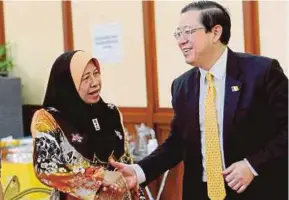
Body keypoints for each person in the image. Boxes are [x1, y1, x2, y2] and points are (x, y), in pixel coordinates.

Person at [110, 1, 288, 200]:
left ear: (215, 32)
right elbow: (177, 143)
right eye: (178, 34)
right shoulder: (182, 86)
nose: (181, 41)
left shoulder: (262, 73)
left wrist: (252, 165)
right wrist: (139, 171)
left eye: (188, 32)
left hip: (257, 190)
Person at [31, 50, 145, 200]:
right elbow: (45, 168)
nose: (95, 82)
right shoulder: (48, 118)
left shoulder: (110, 112)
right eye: (85, 78)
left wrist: (139, 195)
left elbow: (126, 163)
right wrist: (96, 180)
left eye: (96, 73)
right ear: (68, 83)